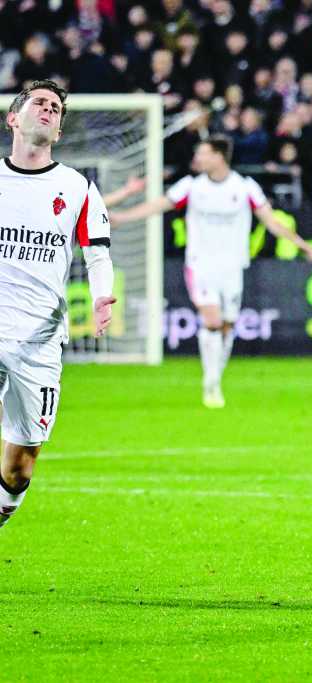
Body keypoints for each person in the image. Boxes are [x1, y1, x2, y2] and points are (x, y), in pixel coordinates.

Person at [110, 136, 312, 408]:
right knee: (212, 321)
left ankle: (215, 376)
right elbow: (158, 205)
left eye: (203, 153)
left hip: (233, 267)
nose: (197, 158)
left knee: (228, 325)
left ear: (219, 157)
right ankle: (211, 384)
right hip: (201, 264)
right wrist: (123, 218)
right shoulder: (191, 186)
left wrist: (301, 244)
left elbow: (272, 222)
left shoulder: (245, 187)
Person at [0, 80, 116, 530]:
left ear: (60, 131)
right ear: (14, 118)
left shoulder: (77, 187)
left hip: (39, 341)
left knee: (20, 467)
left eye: (55, 108)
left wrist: (102, 294)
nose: (48, 109)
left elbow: (97, 252)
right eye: (39, 103)